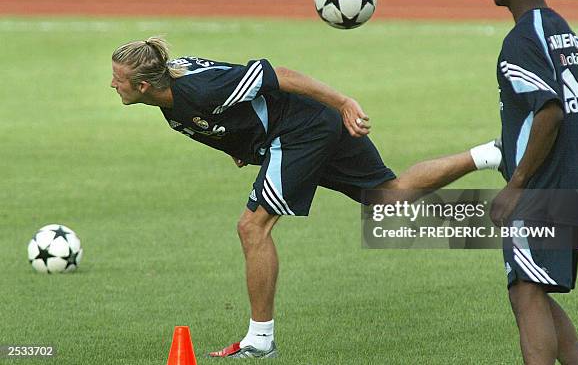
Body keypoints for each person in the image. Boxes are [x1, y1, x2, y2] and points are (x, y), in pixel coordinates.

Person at [110, 38, 501, 358]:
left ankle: (260, 341)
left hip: (298, 132)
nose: (114, 85)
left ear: (144, 85)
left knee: (252, 228)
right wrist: (239, 145)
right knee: (388, 198)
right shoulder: (171, 92)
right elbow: (218, 118)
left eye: (118, 79)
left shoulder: (198, 87)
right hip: (308, 127)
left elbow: (279, 76)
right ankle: (492, 154)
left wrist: (344, 102)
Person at [486, 0, 578, 365]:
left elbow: (550, 112)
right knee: (533, 289)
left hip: (538, 194)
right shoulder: (562, 30)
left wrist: (520, 184)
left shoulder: (521, 40)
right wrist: (564, 166)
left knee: (525, 291)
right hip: (574, 186)